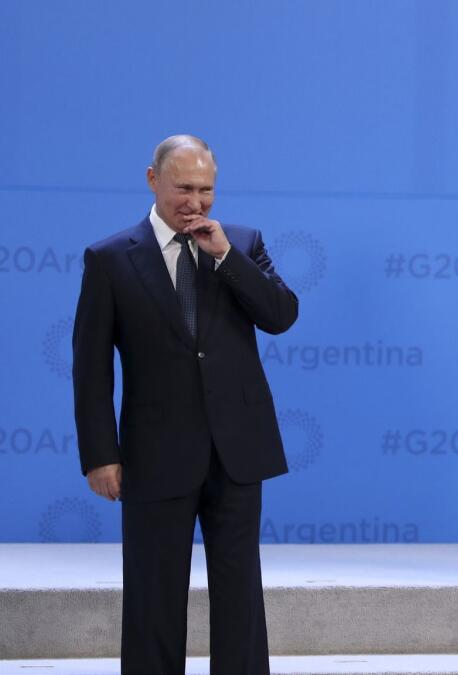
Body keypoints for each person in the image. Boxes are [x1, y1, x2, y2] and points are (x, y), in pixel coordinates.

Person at [72, 134, 298, 674]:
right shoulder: (110, 259)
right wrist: (101, 454)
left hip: (237, 452)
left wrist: (226, 257)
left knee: (240, 593)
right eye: (183, 188)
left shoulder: (240, 242)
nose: (195, 202)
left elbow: (281, 315)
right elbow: (90, 367)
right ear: (153, 180)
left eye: (205, 190)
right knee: (153, 594)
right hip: (155, 453)